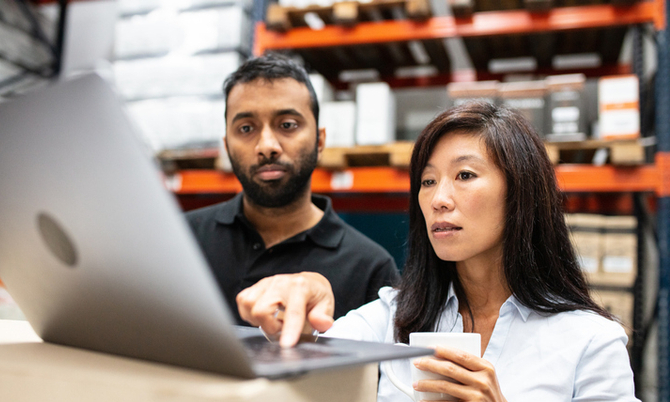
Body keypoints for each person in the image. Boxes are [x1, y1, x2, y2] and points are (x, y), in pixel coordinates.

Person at [236, 101, 640, 401]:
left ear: (521, 195)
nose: (438, 199)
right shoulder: (394, 317)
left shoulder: (591, 341)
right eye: (428, 181)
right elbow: (294, 357)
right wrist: (305, 294)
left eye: (464, 175)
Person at [186, 54, 400, 326]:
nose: (267, 145)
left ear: (319, 141)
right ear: (227, 145)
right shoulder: (182, 240)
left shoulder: (371, 268)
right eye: (246, 128)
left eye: (287, 125)